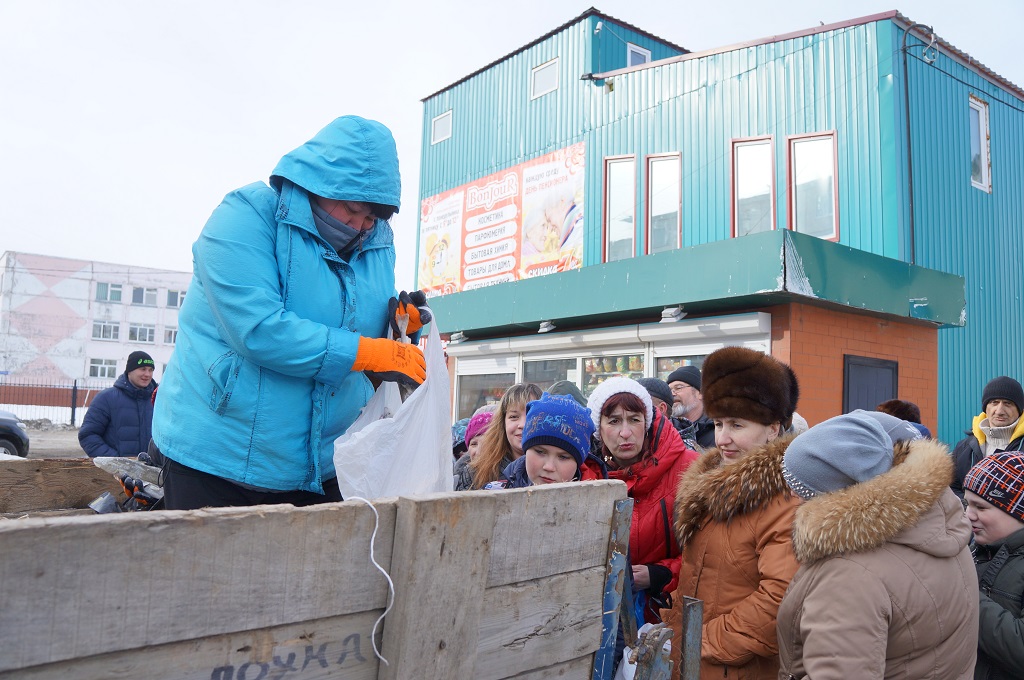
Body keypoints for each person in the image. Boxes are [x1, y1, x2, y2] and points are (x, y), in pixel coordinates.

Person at [151, 116, 428, 510]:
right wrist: (366, 352)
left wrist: (400, 330)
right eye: (352, 210)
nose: (360, 226)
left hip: (324, 462)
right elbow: (259, 329)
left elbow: (362, 333)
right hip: (218, 458)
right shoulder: (245, 217)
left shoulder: (377, 243)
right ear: (319, 184)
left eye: (372, 218)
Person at [777, 410, 978, 679]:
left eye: (801, 489)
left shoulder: (847, 577)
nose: (790, 493)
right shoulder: (941, 523)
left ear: (836, 493)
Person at [667, 346, 800, 679]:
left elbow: (779, 602)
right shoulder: (713, 489)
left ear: (773, 428)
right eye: (718, 423)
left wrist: (700, 640)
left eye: (737, 425)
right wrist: (671, 631)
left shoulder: (785, 500)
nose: (722, 438)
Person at [588, 377, 700, 624]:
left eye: (634, 419)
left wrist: (661, 573)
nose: (625, 432)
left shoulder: (689, 469)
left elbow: (709, 552)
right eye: (614, 421)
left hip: (673, 617)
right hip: (603, 622)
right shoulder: (587, 475)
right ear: (599, 428)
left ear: (647, 423)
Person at [964, 452, 1024, 679]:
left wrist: (962, 590)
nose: (968, 515)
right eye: (967, 504)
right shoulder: (979, 549)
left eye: (981, 507)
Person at [483, 392, 596, 488]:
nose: (549, 467)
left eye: (563, 457)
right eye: (540, 452)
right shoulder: (496, 494)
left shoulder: (597, 502)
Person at [951, 376, 1024, 498]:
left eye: (1008, 403)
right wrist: (970, 508)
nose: (999, 410)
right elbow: (952, 488)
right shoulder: (964, 448)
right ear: (986, 408)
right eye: (994, 402)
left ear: (1019, 410)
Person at [79, 351, 158, 458]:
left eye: (151, 370)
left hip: (153, 471)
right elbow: (88, 435)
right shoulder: (106, 398)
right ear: (130, 371)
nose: (147, 374)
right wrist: (115, 462)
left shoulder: (159, 399)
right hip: (116, 473)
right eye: (143, 369)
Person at [464, 383, 543, 490]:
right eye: (514, 417)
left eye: (531, 416)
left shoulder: (553, 469)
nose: (523, 424)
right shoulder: (475, 473)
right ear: (503, 422)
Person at [665, 365, 715, 449]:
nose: (672, 394)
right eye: (669, 390)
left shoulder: (716, 429)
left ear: (700, 393)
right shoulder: (665, 430)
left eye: (678, 388)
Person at [452, 410, 493, 490]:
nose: (479, 451)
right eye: (474, 444)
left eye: (487, 443)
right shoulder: (459, 481)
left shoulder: (513, 474)